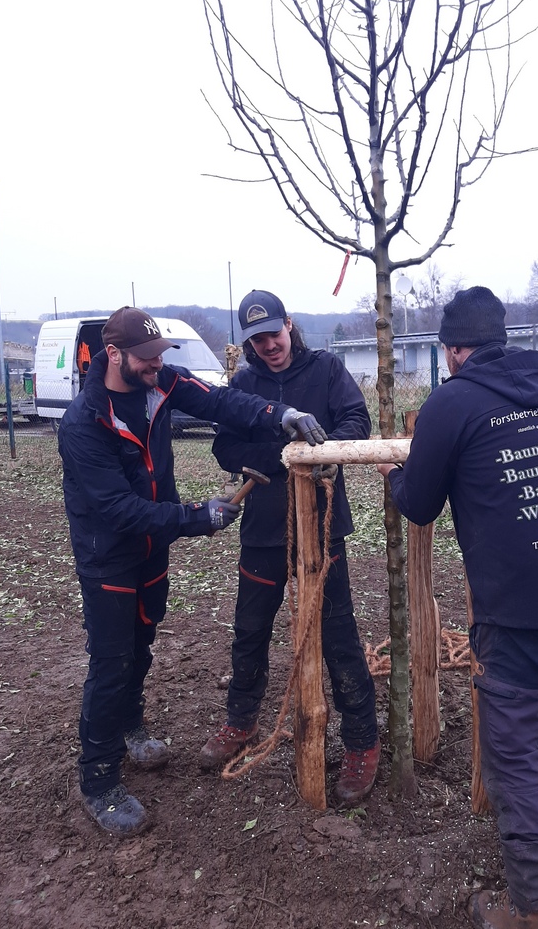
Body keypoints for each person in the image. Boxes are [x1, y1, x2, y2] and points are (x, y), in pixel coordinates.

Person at [377, 287, 538, 929]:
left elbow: (420, 504)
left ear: (454, 351)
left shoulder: (452, 401)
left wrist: (393, 476)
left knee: (513, 758)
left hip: (517, 614)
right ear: (502, 341)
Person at [58, 306, 327, 838]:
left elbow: (223, 401)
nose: (158, 365)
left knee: (141, 644)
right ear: (114, 355)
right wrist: (195, 517)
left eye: (162, 356)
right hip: (108, 555)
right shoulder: (84, 422)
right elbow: (117, 509)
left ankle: (131, 726)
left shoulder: (162, 383)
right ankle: (98, 780)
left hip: (152, 549)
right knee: (110, 662)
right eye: (147, 358)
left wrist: (280, 415)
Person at [201, 289, 380, 804]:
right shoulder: (245, 382)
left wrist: (328, 453)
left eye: (274, 335)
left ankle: (361, 743)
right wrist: (282, 452)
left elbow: (356, 422)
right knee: (250, 629)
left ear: (290, 326)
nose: (268, 346)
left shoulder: (326, 370)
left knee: (338, 633)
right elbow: (224, 446)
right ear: (248, 343)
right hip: (262, 528)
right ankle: (241, 722)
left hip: (322, 526)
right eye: (257, 340)